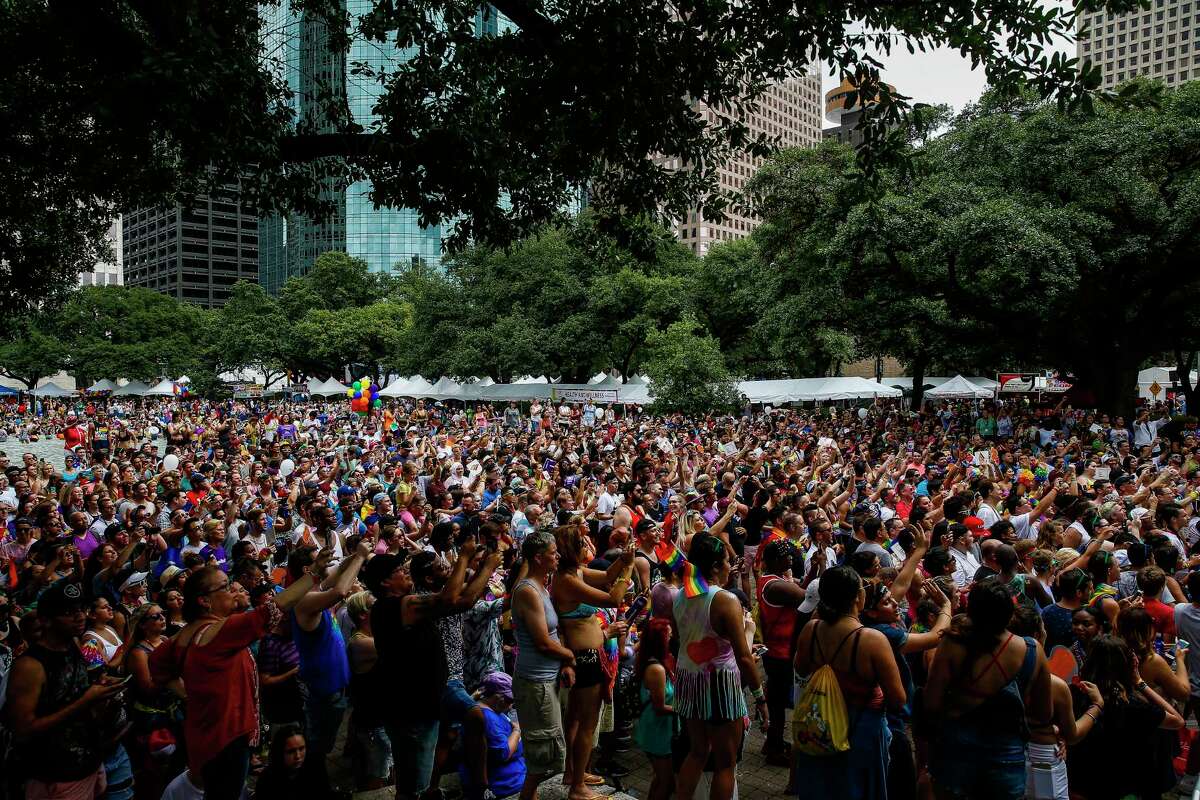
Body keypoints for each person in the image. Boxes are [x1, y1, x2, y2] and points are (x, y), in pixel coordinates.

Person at [149, 552, 333, 800]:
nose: (234, 591)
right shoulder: (219, 632)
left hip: (205, 734)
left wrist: (188, 696)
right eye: (225, 587)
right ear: (205, 601)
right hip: (227, 739)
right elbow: (271, 610)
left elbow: (158, 664)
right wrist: (312, 574)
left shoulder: (185, 635)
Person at [366, 539, 500, 800]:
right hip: (412, 707)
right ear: (384, 582)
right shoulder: (399, 606)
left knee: (416, 777)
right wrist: (464, 558)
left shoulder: (401, 605)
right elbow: (451, 598)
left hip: (420, 704)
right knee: (414, 781)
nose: (405, 573)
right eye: (399, 572)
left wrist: (486, 568)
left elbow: (463, 600)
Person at [923, 578, 1052, 800]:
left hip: (956, 752)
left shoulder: (952, 644)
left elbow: (931, 703)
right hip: (1006, 754)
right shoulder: (1031, 650)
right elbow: (1043, 714)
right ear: (1010, 614)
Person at [792, 565, 905, 800]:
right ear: (858, 597)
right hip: (861, 728)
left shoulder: (811, 629)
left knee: (822, 786)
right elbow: (898, 699)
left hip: (820, 724)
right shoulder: (872, 639)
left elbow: (800, 668)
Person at [5, 582, 126, 798]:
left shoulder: (72, 645)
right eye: (68, 612)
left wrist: (99, 688)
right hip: (57, 775)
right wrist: (86, 700)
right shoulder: (30, 666)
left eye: (80, 609)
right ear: (46, 620)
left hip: (88, 761)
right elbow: (23, 729)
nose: (79, 616)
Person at [673, 534, 765, 800]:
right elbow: (744, 656)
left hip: (689, 680)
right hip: (719, 686)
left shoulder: (681, 596)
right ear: (714, 566)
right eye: (727, 561)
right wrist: (760, 698)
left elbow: (680, 640)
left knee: (697, 752)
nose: (729, 567)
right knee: (726, 764)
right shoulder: (724, 599)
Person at [551, 519, 633, 800]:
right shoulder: (567, 580)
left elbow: (608, 576)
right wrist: (630, 567)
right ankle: (577, 789)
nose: (589, 544)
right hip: (585, 658)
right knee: (586, 723)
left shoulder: (576, 572)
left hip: (589, 655)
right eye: (582, 542)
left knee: (575, 719)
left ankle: (574, 772)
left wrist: (622, 560)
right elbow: (614, 597)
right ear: (572, 549)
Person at [1066, 635, 1185, 800]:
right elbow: (1177, 721)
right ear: (1127, 666)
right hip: (1120, 787)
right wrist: (1140, 682)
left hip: (1080, 783)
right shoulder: (1131, 706)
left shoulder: (1074, 693)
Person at [510, 530, 575, 800]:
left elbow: (552, 633)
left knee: (548, 745)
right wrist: (569, 656)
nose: (558, 556)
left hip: (549, 675)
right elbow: (543, 643)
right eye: (553, 552)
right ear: (538, 558)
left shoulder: (542, 587)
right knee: (543, 750)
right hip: (535, 681)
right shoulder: (527, 591)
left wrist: (564, 665)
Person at [345, 590, 392, 791]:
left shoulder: (374, 635)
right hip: (373, 722)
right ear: (363, 614)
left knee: (387, 770)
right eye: (375, 605)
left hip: (381, 719)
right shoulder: (360, 642)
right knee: (377, 775)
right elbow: (400, 645)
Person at [460, 672, 527, 800]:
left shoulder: (487, 709)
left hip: (507, 776)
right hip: (504, 783)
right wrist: (517, 731)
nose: (511, 705)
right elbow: (503, 753)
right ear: (496, 697)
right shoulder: (489, 718)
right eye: (509, 700)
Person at [634, 618, 679, 800]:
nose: (671, 637)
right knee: (666, 782)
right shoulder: (656, 669)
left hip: (662, 729)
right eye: (668, 635)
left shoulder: (660, 662)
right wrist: (685, 709)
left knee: (661, 779)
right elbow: (659, 707)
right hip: (657, 730)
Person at [252, 723, 333, 800]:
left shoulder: (316, 767)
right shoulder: (268, 779)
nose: (298, 756)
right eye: (291, 751)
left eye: (301, 749)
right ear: (280, 752)